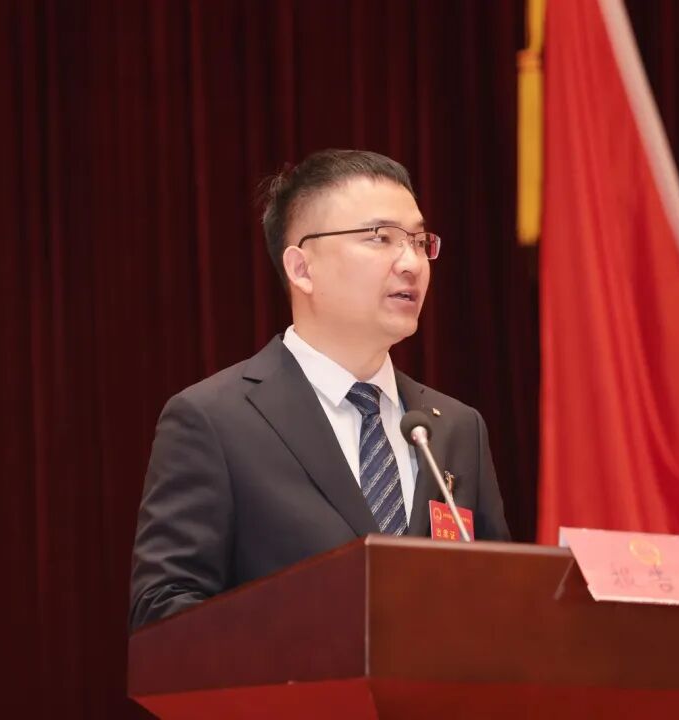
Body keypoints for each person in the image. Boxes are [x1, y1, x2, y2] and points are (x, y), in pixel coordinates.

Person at [129, 149, 511, 632]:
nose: (411, 263)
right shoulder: (215, 421)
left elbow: (503, 597)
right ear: (302, 268)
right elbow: (164, 612)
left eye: (418, 241)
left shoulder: (455, 427)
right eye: (381, 238)